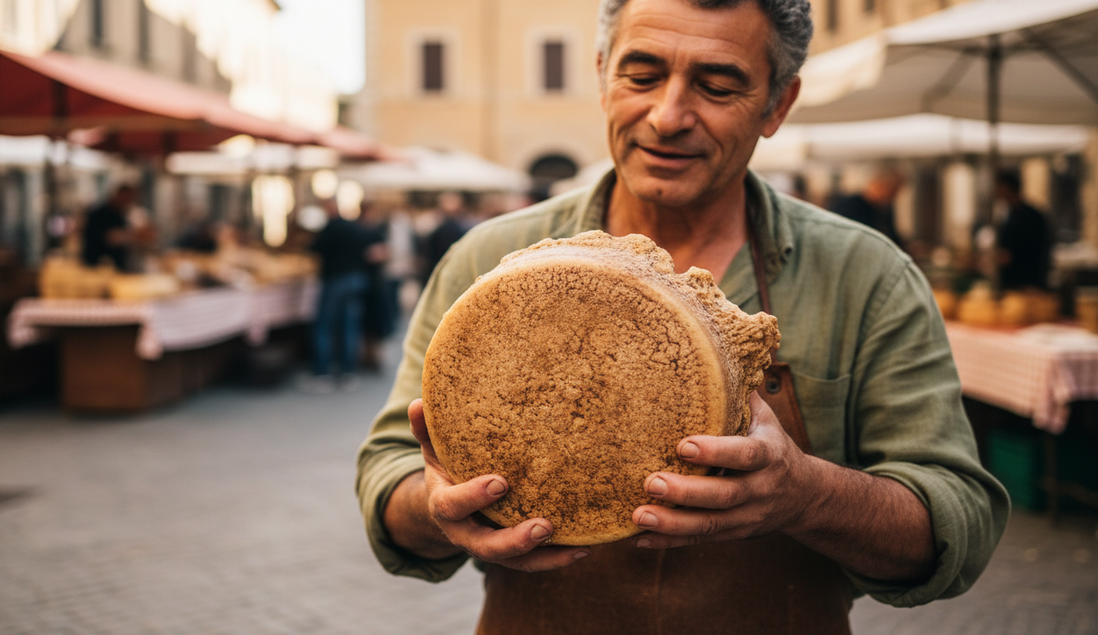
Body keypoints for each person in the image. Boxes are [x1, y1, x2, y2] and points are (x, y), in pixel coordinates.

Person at [356, 0, 1008, 632]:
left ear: (777, 104)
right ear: (602, 72)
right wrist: (432, 506)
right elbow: (389, 476)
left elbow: (958, 522)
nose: (668, 116)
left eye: (718, 86)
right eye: (641, 76)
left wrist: (805, 493)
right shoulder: (488, 259)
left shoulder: (866, 276)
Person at [308, 199, 385, 392]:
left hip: (336, 280)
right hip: (356, 280)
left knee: (325, 326)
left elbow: (315, 249)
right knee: (350, 326)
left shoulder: (331, 228)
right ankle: (349, 372)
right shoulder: (355, 228)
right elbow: (371, 254)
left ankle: (322, 373)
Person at [994, 170, 1052, 290]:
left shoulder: (1031, 216)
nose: (996, 191)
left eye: (998, 187)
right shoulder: (1011, 214)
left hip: (1027, 282)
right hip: (1015, 281)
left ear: (1006, 187)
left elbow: (1037, 249)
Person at [81, 184, 154, 271]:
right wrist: (133, 235)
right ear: (117, 195)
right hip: (97, 266)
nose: (128, 202)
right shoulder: (99, 214)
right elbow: (108, 238)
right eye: (126, 198)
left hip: (117, 267)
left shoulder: (122, 214)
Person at [831, 166, 905, 246]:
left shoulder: (885, 208)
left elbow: (891, 238)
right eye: (893, 190)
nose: (894, 195)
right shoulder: (849, 207)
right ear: (878, 184)